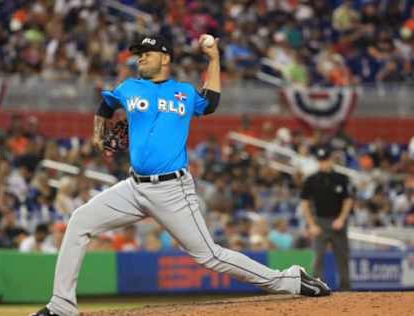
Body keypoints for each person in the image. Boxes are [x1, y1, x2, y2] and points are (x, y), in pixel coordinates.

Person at [31, 35, 330, 316]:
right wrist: (99, 134)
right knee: (80, 221)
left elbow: (211, 102)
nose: (140, 59)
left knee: (209, 256)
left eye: (146, 54)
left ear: (165, 58)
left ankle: (289, 280)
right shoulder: (129, 87)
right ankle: (61, 306)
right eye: (138, 55)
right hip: (134, 188)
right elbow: (106, 105)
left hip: (173, 190)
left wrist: (213, 58)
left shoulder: (184, 92)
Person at [300, 145, 353, 291]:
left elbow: (348, 200)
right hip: (320, 222)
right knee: (317, 258)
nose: (323, 163)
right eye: (320, 160)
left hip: (338, 222)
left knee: (343, 257)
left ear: (331, 160)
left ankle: (346, 289)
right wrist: (311, 224)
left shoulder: (341, 178)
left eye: (325, 160)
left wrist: (341, 219)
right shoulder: (311, 180)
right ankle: (318, 289)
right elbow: (304, 204)